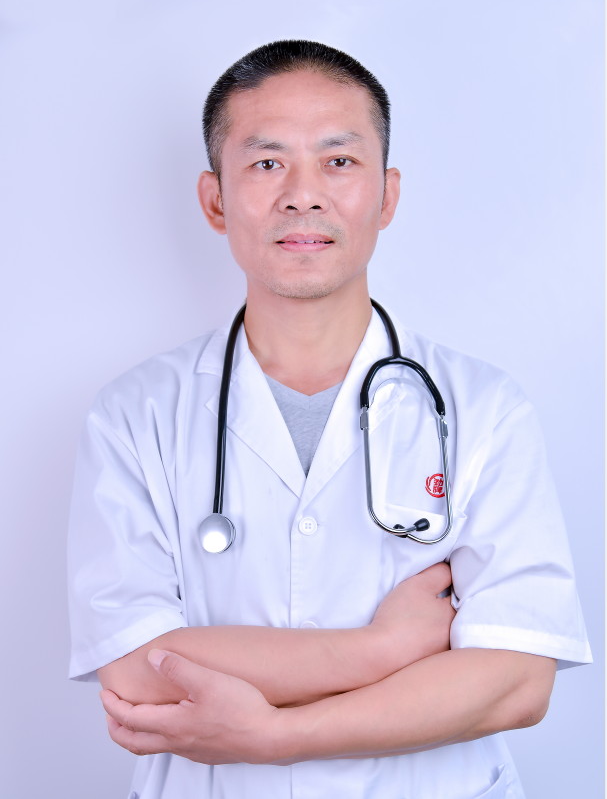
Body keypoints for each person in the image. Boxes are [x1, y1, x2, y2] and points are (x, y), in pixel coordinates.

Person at [67, 40, 591, 799]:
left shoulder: (481, 407)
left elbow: (515, 678)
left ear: (387, 195)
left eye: (339, 161)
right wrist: (381, 649)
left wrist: (277, 736)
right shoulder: (136, 414)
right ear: (215, 200)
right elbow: (135, 669)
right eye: (267, 162)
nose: (303, 195)